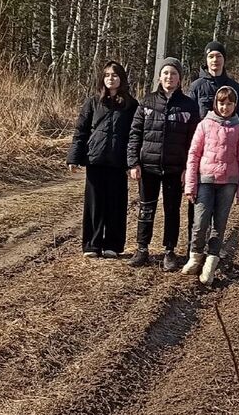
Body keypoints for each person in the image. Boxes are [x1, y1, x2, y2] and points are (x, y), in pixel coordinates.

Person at [127, 57, 200, 271]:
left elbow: (194, 142)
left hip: (174, 168)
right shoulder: (147, 102)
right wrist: (133, 163)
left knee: (172, 210)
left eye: (174, 73)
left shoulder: (189, 106)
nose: (169, 77)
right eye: (166, 73)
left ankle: (170, 251)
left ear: (180, 79)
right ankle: (142, 249)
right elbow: (135, 134)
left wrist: (188, 169)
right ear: (159, 77)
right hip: (148, 166)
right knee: (146, 208)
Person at [67, 61, 139, 258]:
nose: (110, 78)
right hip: (95, 160)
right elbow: (81, 131)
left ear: (121, 79)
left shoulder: (131, 105)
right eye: (107, 75)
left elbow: (135, 135)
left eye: (114, 75)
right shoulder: (93, 102)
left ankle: (112, 246)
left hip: (118, 162)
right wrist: (74, 157)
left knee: (116, 204)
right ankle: (92, 245)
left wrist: (133, 162)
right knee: (94, 204)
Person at [183, 86, 239, 286]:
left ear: (235, 106)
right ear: (215, 104)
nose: (225, 107)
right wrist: (190, 185)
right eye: (221, 103)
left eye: (229, 104)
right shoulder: (204, 125)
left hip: (228, 183)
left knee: (219, 225)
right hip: (205, 180)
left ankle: (211, 262)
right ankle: (195, 256)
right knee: (200, 222)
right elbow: (193, 155)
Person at [186, 40, 239, 249]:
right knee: (198, 211)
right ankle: (194, 249)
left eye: (219, 56)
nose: (215, 60)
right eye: (211, 56)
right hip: (203, 159)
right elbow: (190, 122)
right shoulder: (196, 86)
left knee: (219, 215)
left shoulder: (234, 86)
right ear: (206, 59)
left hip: (226, 164)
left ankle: (212, 251)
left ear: (224, 59)